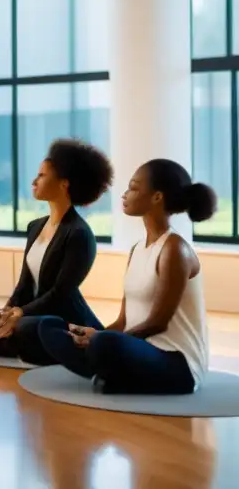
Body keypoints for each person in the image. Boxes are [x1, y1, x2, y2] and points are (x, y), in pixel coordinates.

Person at [37, 159, 214, 394]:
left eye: (133, 188)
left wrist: (99, 338)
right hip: (139, 350)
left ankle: (111, 372)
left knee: (103, 344)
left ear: (157, 197)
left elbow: (157, 323)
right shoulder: (137, 249)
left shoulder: (174, 249)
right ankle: (113, 373)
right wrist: (91, 336)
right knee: (48, 327)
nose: (125, 194)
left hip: (177, 364)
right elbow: (123, 322)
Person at [0, 139, 112, 363]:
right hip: (32, 314)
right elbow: (24, 283)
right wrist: (8, 311)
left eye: (42, 175)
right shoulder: (35, 227)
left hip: (62, 317)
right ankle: (17, 341)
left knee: (29, 325)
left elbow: (61, 293)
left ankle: (21, 342)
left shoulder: (79, 234)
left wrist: (20, 314)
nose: (34, 180)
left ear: (64, 184)